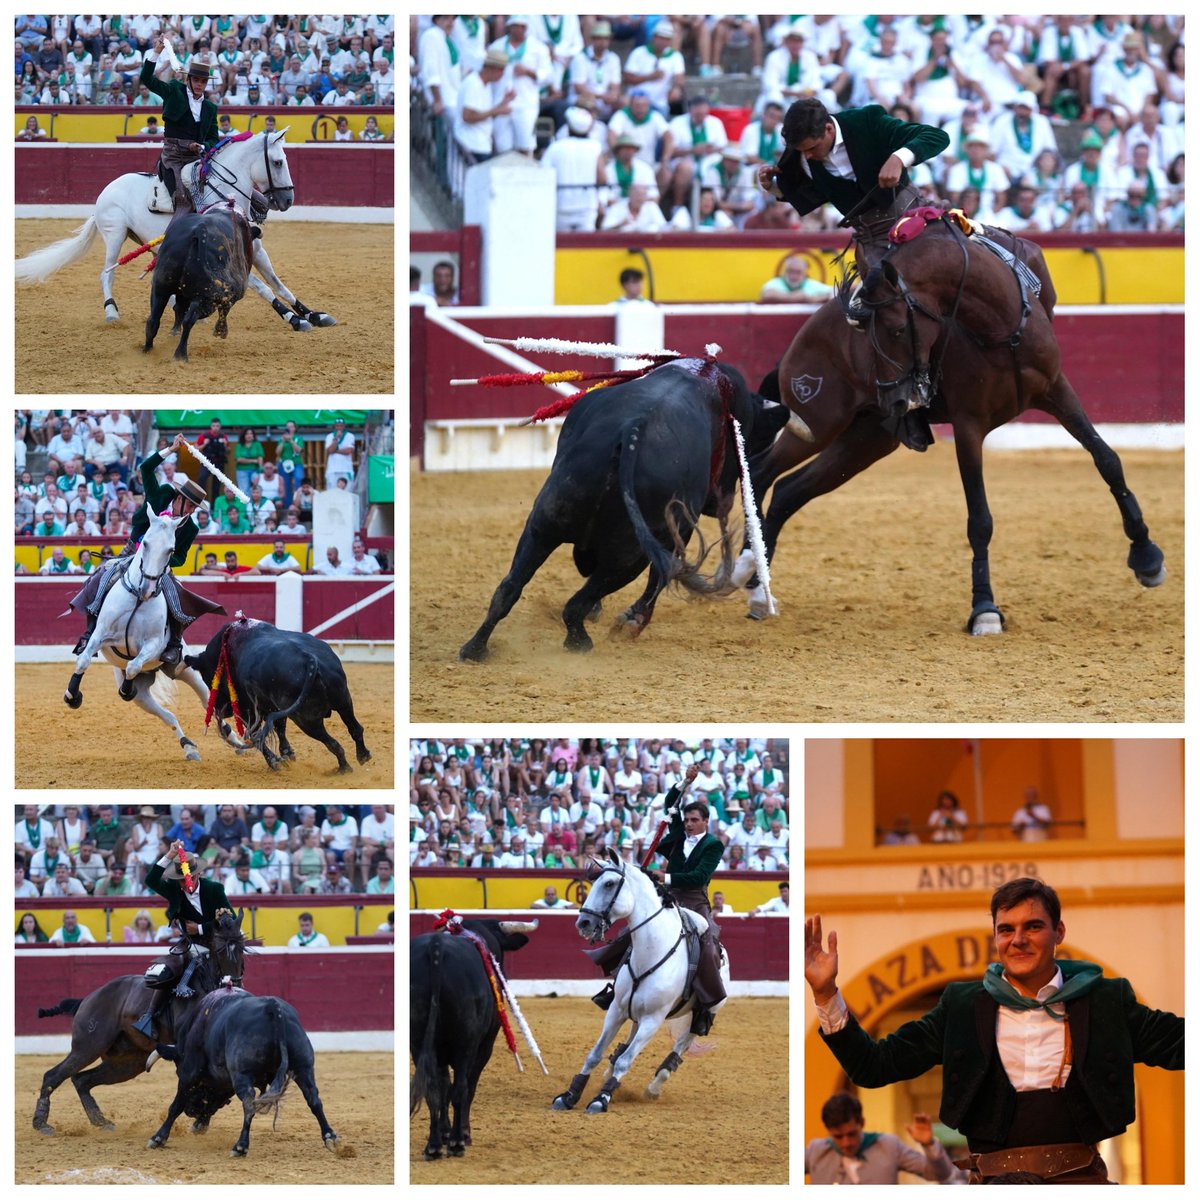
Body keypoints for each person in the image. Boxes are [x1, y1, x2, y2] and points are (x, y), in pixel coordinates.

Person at [804, 877, 1184, 1183]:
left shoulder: (1105, 1000)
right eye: (1006, 929)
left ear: (1059, 931)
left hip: (1079, 1181)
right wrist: (826, 993)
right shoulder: (963, 1006)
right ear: (996, 937)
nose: (1018, 939)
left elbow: (1180, 1045)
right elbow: (875, 1065)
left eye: (1033, 926)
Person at [759, 97, 949, 342]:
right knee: (882, 314)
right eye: (801, 151)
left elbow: (937, 136)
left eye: (812, 149)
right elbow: (803, 193)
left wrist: (899, 158)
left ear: (828, 129)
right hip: (872, 242)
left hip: (915, 218)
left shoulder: (866, 121)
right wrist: (772, 186)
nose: (807, 157)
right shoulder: (801, 152)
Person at [586, 763, 727, 1035]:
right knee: (635, 930)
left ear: (706, 821)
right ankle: (617, 988)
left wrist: (666, 877)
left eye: (694, 820)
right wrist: (684, 782)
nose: (688, 824)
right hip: (670, 898)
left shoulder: (713, 845)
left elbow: (698, 877)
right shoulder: (678, 835)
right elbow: (670, 801)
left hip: (694, 900)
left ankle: (704, 1007)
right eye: (686, 820)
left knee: (707, 944)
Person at [67, 432, 216, 672]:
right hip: (133, 548)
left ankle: (173, 645)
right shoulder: (163, 494)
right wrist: (170, 450)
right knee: (100, 578)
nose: (190, 510)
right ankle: (89, 634)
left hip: (159, 566)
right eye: (189, 504)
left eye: (194, 507)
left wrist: (166, 560)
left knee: (177, 600)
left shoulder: (191, 527)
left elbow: (181, 557)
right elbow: (146, 468)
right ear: (179, 497)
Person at [132, 838, 233, 1038]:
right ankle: (149, 1016)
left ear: (199, 874)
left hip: (216, 944)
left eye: (190, 878)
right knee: (169, 971)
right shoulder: (173, 889)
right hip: (190, 945)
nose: (186, 883)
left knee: (232, 970)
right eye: (182, 879)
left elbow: (231, 919)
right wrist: (169, 855)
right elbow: (151, 880)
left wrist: (201, 928)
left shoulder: (214, 889)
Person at [140, 35, 219, 215]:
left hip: (197, 158)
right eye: (196, 80)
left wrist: (203, 146)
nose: (199, 84)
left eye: (203, 81)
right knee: (183, 201)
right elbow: (147, 78)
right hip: (173, 157)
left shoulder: (210, 108)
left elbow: (214, 138)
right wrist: (156, 52)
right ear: (189, 79)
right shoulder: (175, 91)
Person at [806, 1092, 957, 1183]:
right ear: (828, 1131)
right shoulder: (816, 1150)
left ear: (862, 1123)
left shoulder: (889, 1146)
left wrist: (929, 1144)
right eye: (838, 1137)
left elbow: (942, 1174)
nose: (846, 1143)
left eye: (852, 1134)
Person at [759, 253, 836, 303]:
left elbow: (833, 290)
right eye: (791, 271)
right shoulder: (776, 283)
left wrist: (815, 298)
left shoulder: (811, 284)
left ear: (805, 274)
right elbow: (767, 295)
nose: (794, 276)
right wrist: (800, 297)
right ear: (785, 271)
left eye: (798, 272)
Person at [324, 418, 355, 488]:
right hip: (332, 469)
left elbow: (349, 451)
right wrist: (336, 438)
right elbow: (330, 451)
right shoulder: (329, 436)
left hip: (346, 469)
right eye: (337, 426)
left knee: (348, 492)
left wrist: (336, 451)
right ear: (334, 426)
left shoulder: (350, 436)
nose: (339, 428)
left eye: (341, 426)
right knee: (332, 493)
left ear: (344, 426)